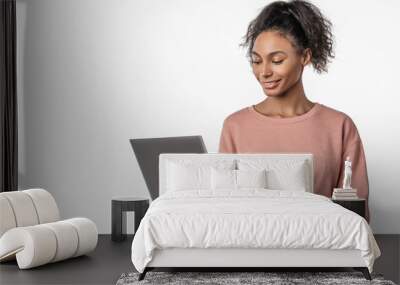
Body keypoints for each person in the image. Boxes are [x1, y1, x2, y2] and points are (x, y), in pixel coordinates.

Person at [218, 0, 371, 223]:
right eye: (256, 61)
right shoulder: (235, 126)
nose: (264, 72)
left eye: (277, 60)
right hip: (251, 251)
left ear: (305, 57)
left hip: (324, 251)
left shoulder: (339, 126)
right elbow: (225, 209)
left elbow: (357, 216)